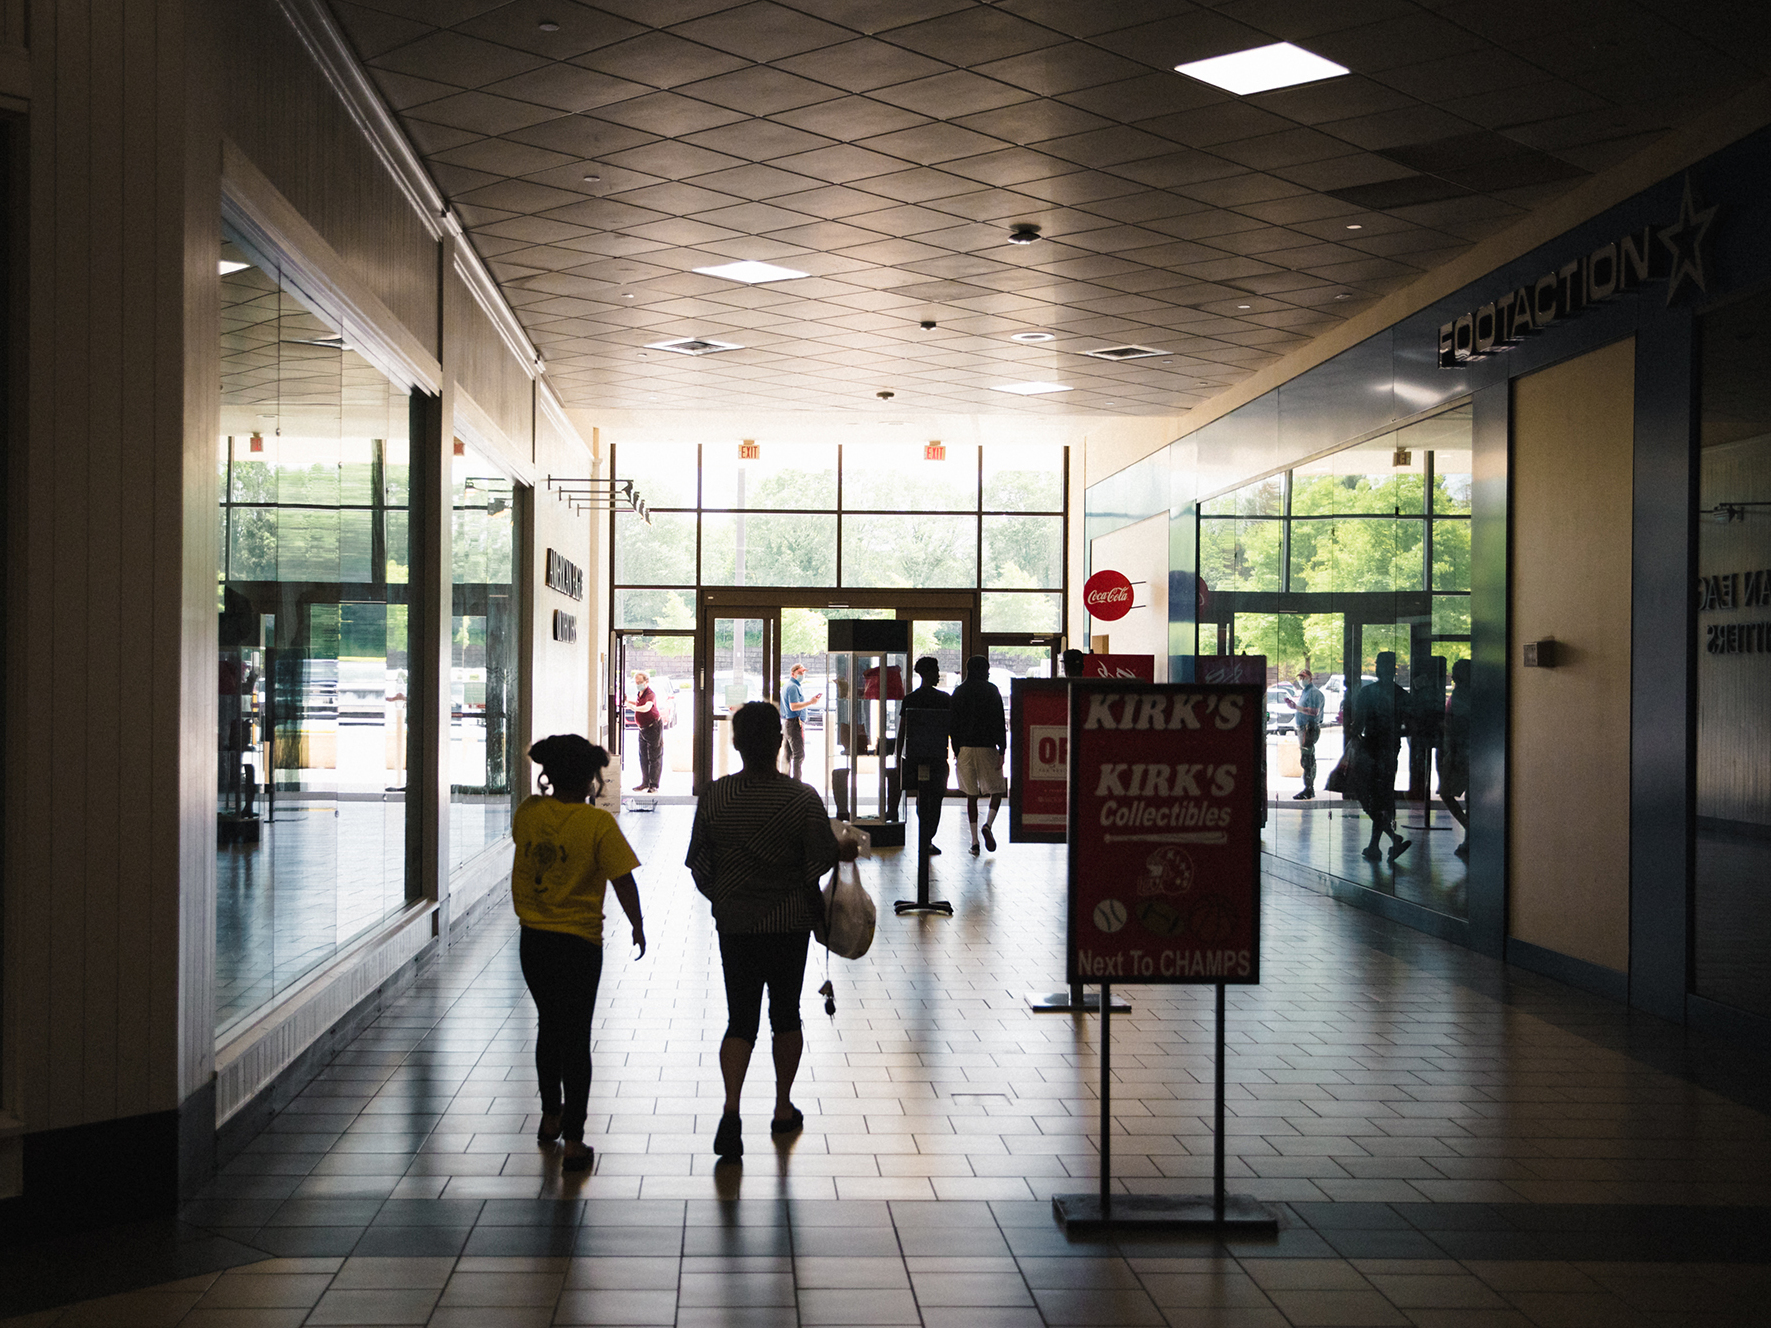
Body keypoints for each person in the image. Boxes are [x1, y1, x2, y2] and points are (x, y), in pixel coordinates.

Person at [689, 701, 846, 1160]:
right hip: (789, 923)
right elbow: (821, 858)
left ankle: (732, 1109)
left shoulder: (715, 796)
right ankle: (781, 1107)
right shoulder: (801, 799)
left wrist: (726, 897)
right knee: (785, 1014)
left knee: (740, 1019)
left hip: (735, 925)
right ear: (780, 741)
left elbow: (699, 864)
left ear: (735, 743)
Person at [511, 735, 646, 1172]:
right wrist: (638, 924)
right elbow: (623, 878)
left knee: (549, 1026)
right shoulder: (598, 825)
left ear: (549, 775)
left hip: (533, 941)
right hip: (579, 944)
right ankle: (574, 1139)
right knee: (576, 1036)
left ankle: (551, 1115)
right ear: (590, 779)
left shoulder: (529, 813)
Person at [1349, 651, 1411, 863]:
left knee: (1367, 795)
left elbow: (1358, 724)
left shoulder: (1367, 693)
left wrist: (1354, 733)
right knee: (1383, 796)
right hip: (1391, 750)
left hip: (1371, 749)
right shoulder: (1401, 694)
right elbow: (1409, 725)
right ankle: (1377, 844)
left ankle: (1389, 839)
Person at [949, 655, 1007, 855]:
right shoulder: (992, 691)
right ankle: (988, 825)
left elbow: (953, 724)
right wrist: (1003, 749)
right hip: (987, 747)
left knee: (971, 796)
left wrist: (956, 749)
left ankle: (974, 841)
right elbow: (1000, 721)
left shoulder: (959, 691)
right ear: (983, 670)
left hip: (965, 748)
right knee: (997, 791)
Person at [897, 657, 951, 857]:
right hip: (937, 756)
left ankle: (924, 836)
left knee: (922, 795)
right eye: (936, 671)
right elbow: (951, 728)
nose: (938, 674)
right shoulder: (944, 699)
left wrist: (898, 756)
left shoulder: (910, 699)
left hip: (915, 756)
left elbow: (903, 730)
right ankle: (927, 837)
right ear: (928, 673)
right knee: (936, 797)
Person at [1439, 658, 1472, 859]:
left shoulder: (1460, 695)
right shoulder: (1472, 694)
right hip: (1467, 751)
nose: (1453, 675)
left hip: (1460, 752)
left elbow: (1453, 725)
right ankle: (1470, 836)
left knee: (1445, 792)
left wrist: (1449, 751)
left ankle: (1470, 831)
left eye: (1455, 671)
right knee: (1471, 797)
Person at [779, 663, 824, 782]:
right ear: (792, 674)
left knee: (788, 755)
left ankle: (786, 781)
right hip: (794, 723)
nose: (802, 675)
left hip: (788, 723)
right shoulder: (793, 687)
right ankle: (796, 783)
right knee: (799, 755)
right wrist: (810, 702)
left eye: (803, 673)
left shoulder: (789, 685)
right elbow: (793, 707)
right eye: (800, 673)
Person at [1291, 668, 1324, 800]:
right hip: (1304, 728)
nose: (1301, 680)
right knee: (1306, 757)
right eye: (1300, 677)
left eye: (1303, 677)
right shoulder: (1306, 692)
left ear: (1310, 678)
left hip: (1308, 728)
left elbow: (1314, 712)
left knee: (1308, 758)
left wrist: (1296, 707)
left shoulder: (1313, 693)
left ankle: (1309, 789)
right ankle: (1308, 788)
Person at [631, 670, 663, 792]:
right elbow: (639, 705)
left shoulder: (650, 694)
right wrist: (628, 703)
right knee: (643, 756)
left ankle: (653, 785)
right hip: (642, 728)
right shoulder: (640, 693)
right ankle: (645, 782)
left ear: (646, 682)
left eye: (640, 682)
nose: (637, 684)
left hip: (653, 727)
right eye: (636, 682)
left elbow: (647, 707)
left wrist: (635, 708)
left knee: (654, 756)